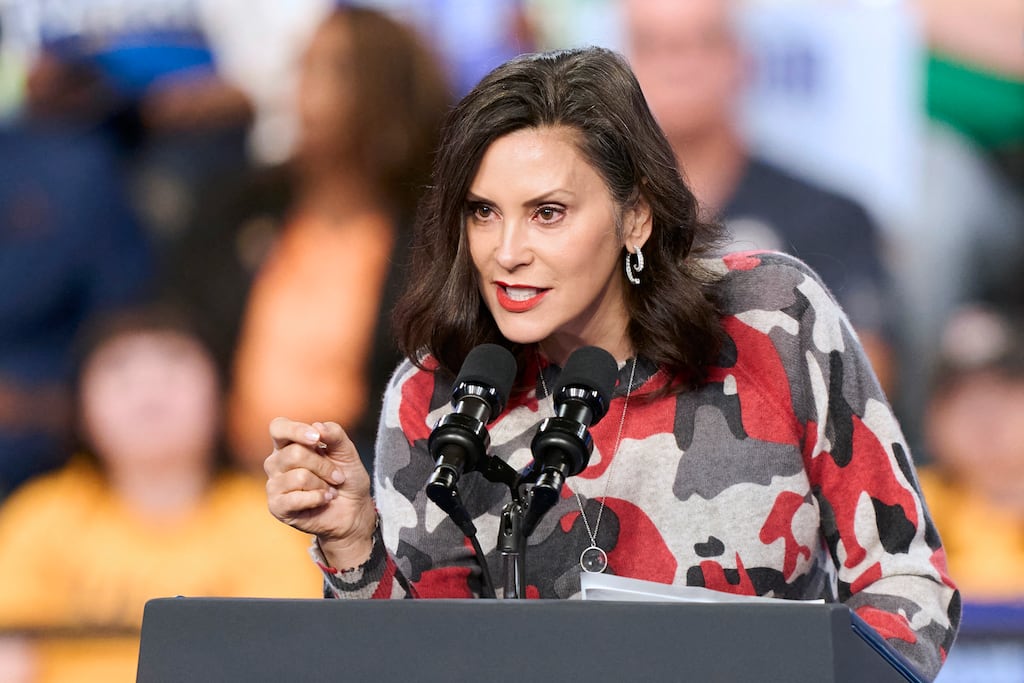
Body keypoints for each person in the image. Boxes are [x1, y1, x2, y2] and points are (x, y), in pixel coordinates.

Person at [264, 47, 959, 680]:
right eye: (482, 212)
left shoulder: (774, 319)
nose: (506, 251)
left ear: (637, 217)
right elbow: (423, 661)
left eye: (548, 212)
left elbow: (909, 582)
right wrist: (354, 544)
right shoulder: (438, 395)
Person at [177, 5, 451, 472]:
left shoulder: (435, 237)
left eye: (336, 71)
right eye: (302, 67)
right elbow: (178, 340)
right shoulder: (234, 206)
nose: (305, 91)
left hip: (367, 481)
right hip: (218, 484)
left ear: (390, 91)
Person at [0, 305, 322, 682]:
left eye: (172, 373)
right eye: (121, 376)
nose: (149, 396)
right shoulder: (41, 516)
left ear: (222, 397)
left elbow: (288, 661)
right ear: (81, 408)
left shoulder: (270, 519)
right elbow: (10, 655)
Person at [620, 0, 899, 397]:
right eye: (652, 44)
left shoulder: (831, 216)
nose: (678, 64)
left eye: (703, 41)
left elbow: (862, 382)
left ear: (743, 58)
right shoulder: (597, 219)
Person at [917, 305, 1024, 602]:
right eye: (962, 401)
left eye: (1004, 396)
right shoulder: (910, 503)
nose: (985, 420)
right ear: (932, 419)